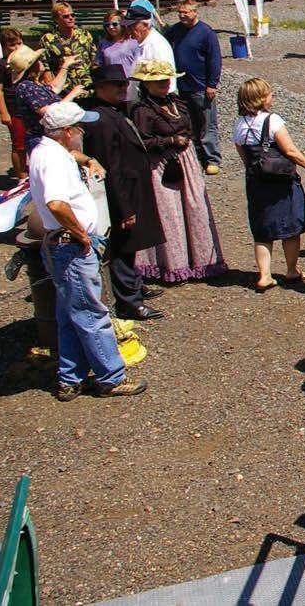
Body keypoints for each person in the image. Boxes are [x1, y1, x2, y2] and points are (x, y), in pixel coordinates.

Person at [30, 101, 145, 400]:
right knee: (91, 313)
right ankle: (110, 377)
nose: (84, 132)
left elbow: (71, 156)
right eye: (80, 128)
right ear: (67, 131)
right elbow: (56, 203)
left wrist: (89, 159)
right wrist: (81, 234)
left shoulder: (48, 151)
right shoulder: (53, 161)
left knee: (70, 314)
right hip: (71, 245)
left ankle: (70, 377)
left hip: (60, 244)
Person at [129, 59, 227, 282]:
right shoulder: (142, 110)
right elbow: (142, 141)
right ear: (146, 84)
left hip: (186, 162)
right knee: (170, 213)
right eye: (159, 81)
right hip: (162, 165)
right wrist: (170, 141)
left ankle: (201, 260)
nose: (164, 84)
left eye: (167, 79)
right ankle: (173, 264)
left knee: (196, 208)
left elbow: (195, 126)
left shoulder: (177, 102)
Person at [82, 64, 166, 321]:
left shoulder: (113, 112)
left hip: (132, 187)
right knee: (123, 246)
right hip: (123, 192)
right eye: (117, 84)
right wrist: (124, 208)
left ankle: (135, 286)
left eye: (125, 83)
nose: (123, 88)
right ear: (100, 87)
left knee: (132, 244)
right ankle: (130, 302)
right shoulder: (101, 120)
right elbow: (110, 167)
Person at [233, 77, 305, 290]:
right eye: (269, 94)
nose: (271, 97)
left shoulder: (239, 125)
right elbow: (290, 150)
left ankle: (264, 275)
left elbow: (244, 158)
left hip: (257, 181)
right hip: (281, 181)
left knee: (262, 228)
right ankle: (291, 270)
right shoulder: (272, 121)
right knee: (290, 225)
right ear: (261, 98)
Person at [166, 0, 223, 175]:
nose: (182, 15)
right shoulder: (176, 30)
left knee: (207, 124)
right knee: (189, 124)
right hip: (182, 86)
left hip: (201, 86)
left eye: (185, 12)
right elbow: (164, 42)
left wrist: (212, 84)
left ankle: (212, 158)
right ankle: (196, 156)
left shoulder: (206, 33)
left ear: (194, 12)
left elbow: (214, 59)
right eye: (180, 12)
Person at [11, 45, 83, 152]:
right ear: (35, 65)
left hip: (47, 138)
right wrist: (72, 94)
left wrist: (65, 65)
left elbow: (54, 87)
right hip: (40, 139)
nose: (41, 62)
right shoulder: (26, 87)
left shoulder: (36, 84)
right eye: (39, 60)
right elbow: (51, 113)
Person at [39, 1, 96, 93]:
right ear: (56, 19)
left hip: (87, 89)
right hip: (64, 90)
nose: (71, 18)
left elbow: (94, 60)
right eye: (66, 16)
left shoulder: (85, 35)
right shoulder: (48, 39)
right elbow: (46, 68)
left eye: (72, 15)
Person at [122, 0, 176, 95]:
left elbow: (164, 81)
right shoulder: (142, 42)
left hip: (156, 99)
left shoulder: (156, 45)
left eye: (133, 26)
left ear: (146, 25)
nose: (129, 30)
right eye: (128, 26)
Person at [0, 28, 26, 175]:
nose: (17, 47)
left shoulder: (28, 61)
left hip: (31, 107)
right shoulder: (0, 66)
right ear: (4, 47)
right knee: (19, 145)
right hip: (14, 109)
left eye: (19, 43)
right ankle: (21, 175)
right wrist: (4, 113)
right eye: (12, 45)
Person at [96, 10, 140, 77]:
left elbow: (140, 65)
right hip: (112, 82)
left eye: (114, 24)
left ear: (122, 25)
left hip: (132, 81)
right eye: (107, 25)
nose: (111, 27)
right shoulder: (102, 44)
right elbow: (99, 64)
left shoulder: (133, 42)